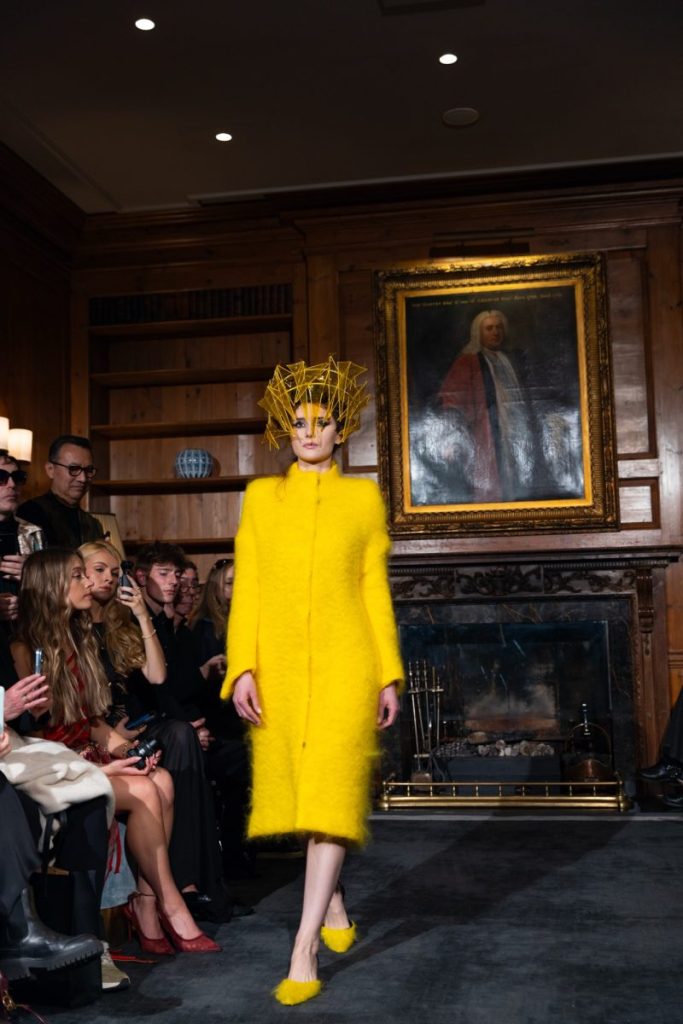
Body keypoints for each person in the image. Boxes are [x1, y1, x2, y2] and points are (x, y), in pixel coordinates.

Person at [221, 356, 403, 1005]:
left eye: (321, 423)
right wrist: (241, 666)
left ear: (339, 431)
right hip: (278, 666)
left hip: (347, 664)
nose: (309, 433)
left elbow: (373, 588)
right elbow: (247, 588)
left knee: (329, 794)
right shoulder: (260, 498)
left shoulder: (362, 498)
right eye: (298, 423)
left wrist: (387, 674)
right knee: (303, 798)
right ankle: (333, 903)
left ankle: (303, 950)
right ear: (285, 429)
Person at [12, 548, 220, 956]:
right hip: (49, 762)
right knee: (144, 789)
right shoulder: (25, 648)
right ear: (52, 586)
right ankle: (169, 904)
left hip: (83, 750)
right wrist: (94, 758)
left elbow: (92, 721)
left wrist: (128, 749)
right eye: (79, 575)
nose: (90, 583)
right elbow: (30, 732)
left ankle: (147, 903)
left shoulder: (78, 639)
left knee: (161, 778)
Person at [80, 539, 231, 921]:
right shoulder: (72, 626)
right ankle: (179, 888)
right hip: (98, 731)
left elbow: (158, 675)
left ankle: (191, 884)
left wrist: (142, 617)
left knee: (183, 737)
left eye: (115, 572)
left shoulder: (120, 623)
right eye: (99, 570)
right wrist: (112, 733)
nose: (108, 579)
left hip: (132, 728)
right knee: (181, 736)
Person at [438, 310, 539, 503]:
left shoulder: (508, 359)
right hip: (485, 432)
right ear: (478, 333)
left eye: (498, 327)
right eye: (489, 328)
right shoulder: (467, 361)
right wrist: (452, 436)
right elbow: (451, 400)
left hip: (514, 427)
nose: (495, 332)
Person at [17, 435, 104, 549]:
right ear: (50, 470)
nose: (83, 478)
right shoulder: (31, 513)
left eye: (88, 470)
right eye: (73, 469)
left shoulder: (93, 524)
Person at [0, 448, 43, 629]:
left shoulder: (32, 533)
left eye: (17, 478)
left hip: (24, 632)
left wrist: (33, 575)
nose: (12, 485)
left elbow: (53, 594)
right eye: (1, 477)